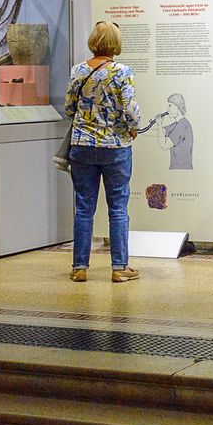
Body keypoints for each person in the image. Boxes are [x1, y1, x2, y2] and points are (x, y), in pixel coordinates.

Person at [61, 19, 142, 284]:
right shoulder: (122, 72)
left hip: (82, 146)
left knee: (84, 207)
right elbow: (130, 108)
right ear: (115, 43)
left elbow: (69, 108)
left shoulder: (78, 70)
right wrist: (133, 128)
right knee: (118, 207)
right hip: (115, 147)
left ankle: (79, 267)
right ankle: (119, 267)